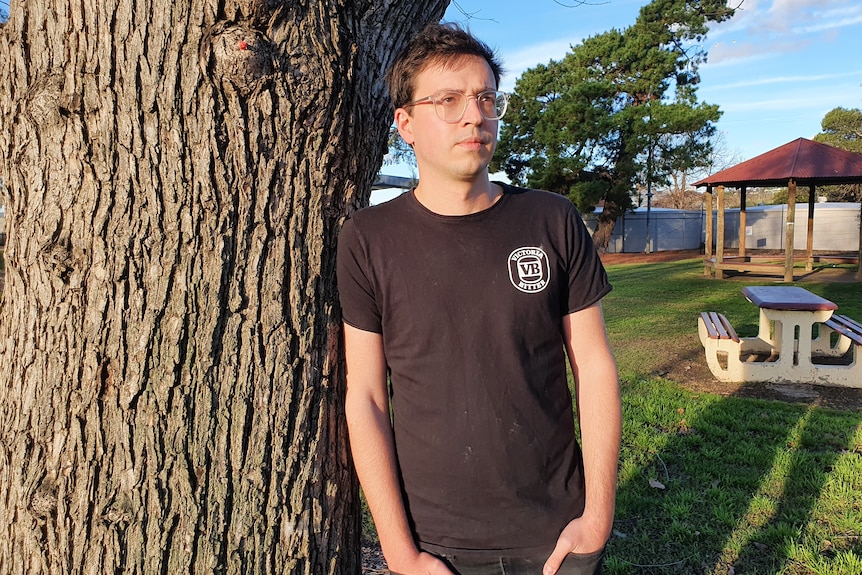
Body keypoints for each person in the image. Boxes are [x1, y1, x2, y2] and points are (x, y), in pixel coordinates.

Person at [337, 22, 621, 575]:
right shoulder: (369, 239)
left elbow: (594, 366)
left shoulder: (551, 219)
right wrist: (400, 554)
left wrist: (598, 516)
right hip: (435, 545)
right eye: (448, 100)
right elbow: (366, 397)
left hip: (556, 532)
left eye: (486, 98)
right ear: (405, 124)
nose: (475, 114)